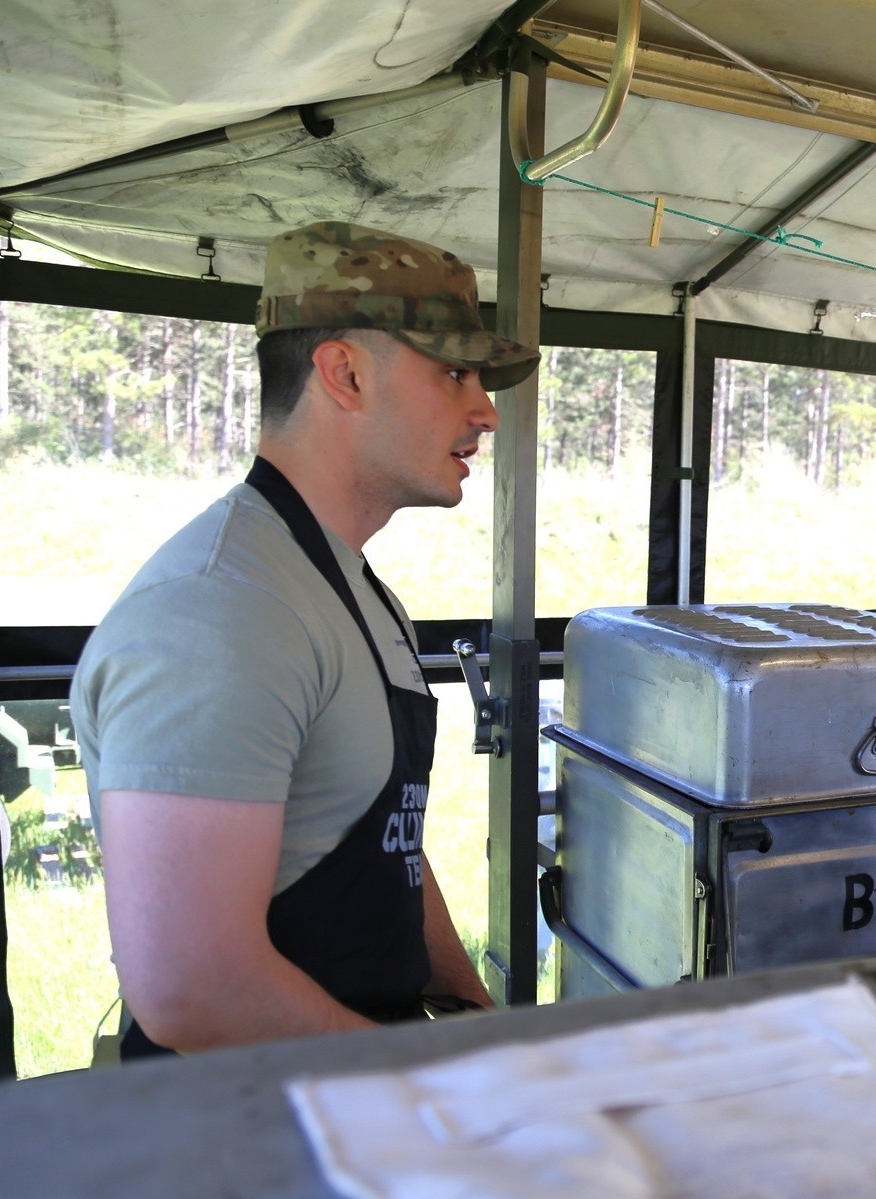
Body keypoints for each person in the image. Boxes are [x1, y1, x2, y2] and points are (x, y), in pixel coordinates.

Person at [72, 222, 537, 1057]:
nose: (486, 412)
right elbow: (193, 986)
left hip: (351, 1102)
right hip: (241, 1145)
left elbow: (383, 834)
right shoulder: (221, 611)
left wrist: (468, 1009)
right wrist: (415, 1080)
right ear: (345, 372)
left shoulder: (350, 587)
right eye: (456, 372)